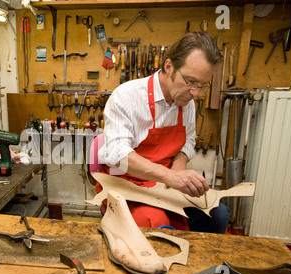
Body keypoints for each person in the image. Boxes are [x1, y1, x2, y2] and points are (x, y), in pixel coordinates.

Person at [97, 31, 230, 233]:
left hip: (165, 184)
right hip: (127, 183)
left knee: (218, 215)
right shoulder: (126, 96)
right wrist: (170, 176)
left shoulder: (187, 101)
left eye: (202, 85)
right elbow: (117, 155)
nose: (196, 93)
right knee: (157, 223)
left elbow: (187, 143)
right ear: (169, 67)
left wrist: (179, 167)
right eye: (191, 81)